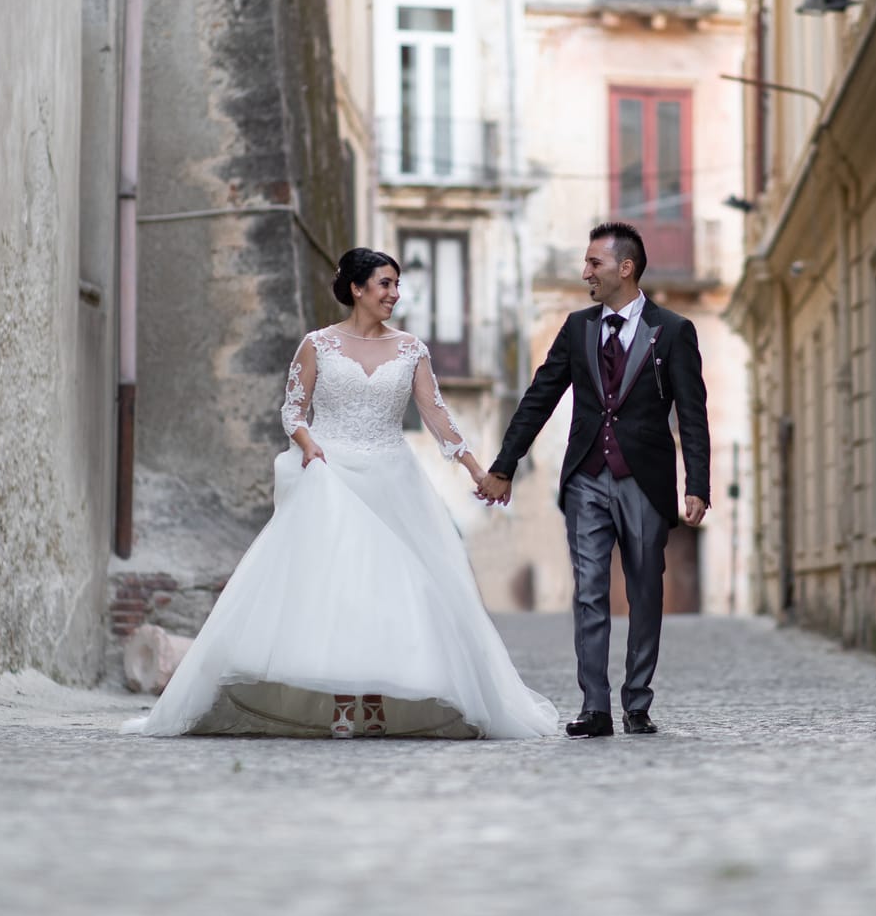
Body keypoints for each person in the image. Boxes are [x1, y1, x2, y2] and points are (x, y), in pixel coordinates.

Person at [124, 248, 558, 740]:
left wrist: (479, 471)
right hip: (330, 473)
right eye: (385, 284)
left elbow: (439, 418)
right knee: (339, 589)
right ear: (357, 288)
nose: (394, 293)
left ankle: (374, 702)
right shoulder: (318, 344)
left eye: (397, 284)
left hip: (392, 479)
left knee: (389, 591)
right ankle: (341, 703)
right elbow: (293, 411)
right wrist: (308, 445)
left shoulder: (411, 350)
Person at [476, 221, 710, 737]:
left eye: (594, 264)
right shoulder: (578, 328)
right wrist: (503, 466)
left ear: (625, 268)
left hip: (645, 481)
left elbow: (692, 414)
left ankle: (638, 702)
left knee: (646, 592)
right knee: (589, 591)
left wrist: (697, 484)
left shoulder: (672, 331)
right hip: (586, 477)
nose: (585, 273)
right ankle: (596, 707)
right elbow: (539, 397)